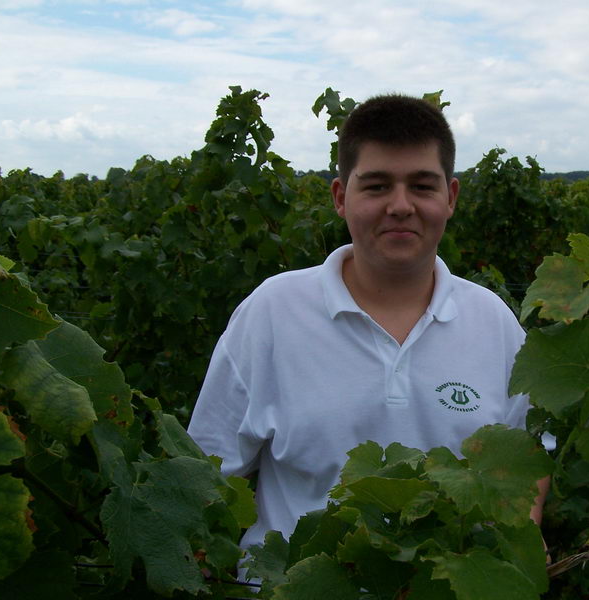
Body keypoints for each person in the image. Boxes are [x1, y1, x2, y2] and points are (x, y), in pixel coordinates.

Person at [187, 94, 548, 558]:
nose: (400, 206)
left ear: (450, 197)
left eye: (422, 186)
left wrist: (517, 545)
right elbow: (208, 472)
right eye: (377, 186)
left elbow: (528, 457)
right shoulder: (271, 314)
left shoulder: (494, 323)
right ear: (341, 197)